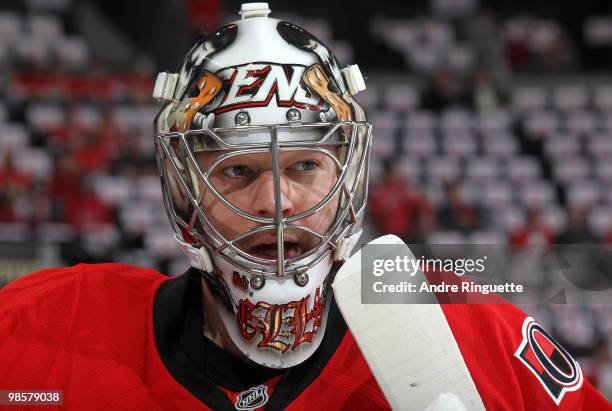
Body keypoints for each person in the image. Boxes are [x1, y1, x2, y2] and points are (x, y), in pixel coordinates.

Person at [1, 4, 609, 410]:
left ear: (349, 175)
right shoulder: (34, 335)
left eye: (305, 166)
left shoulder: (483, 346)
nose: (276, 204)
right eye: (237, 171)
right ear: (184, 188)